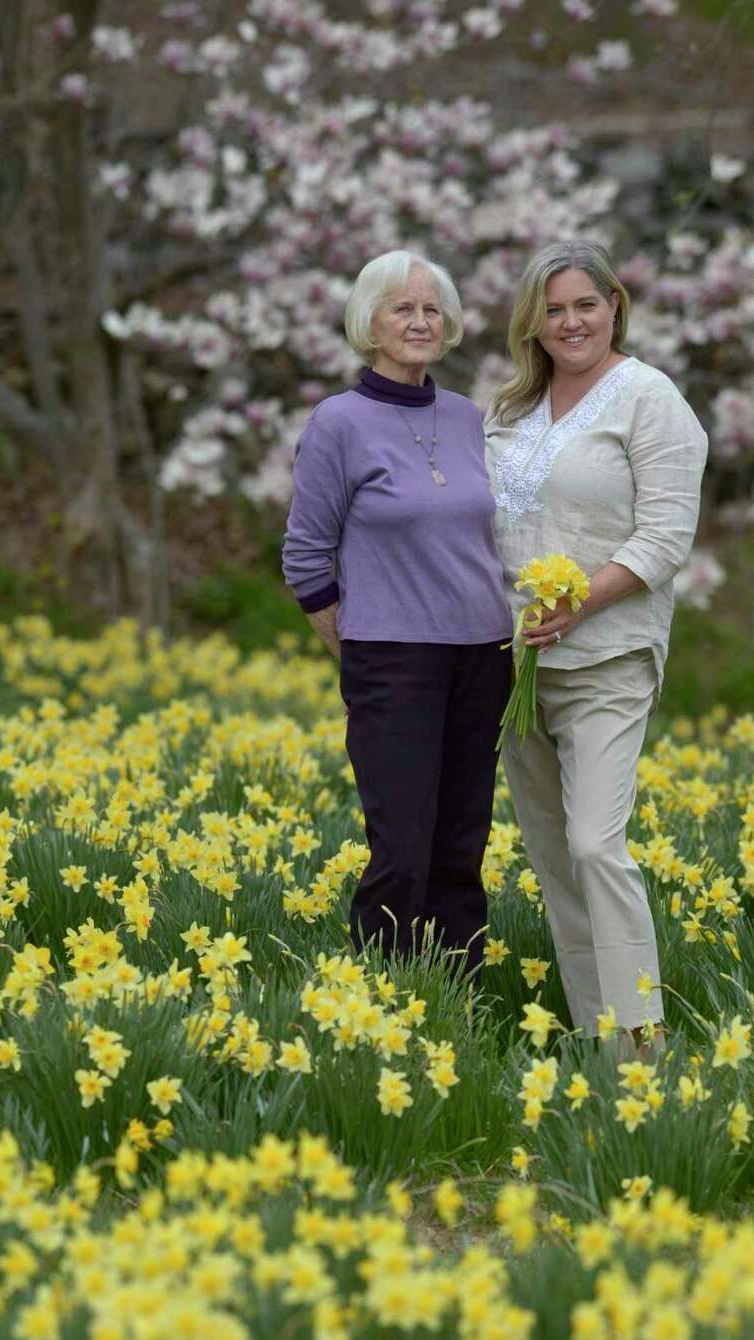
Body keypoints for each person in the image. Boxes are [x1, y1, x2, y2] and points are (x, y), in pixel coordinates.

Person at [485, 238, 708, 1050]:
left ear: (615, 304)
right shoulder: (509, 409)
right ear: (531, 323)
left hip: (607, 657)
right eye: (553, 309)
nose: (571, 321)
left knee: (594, 844)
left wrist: (579, 603)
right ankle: (600, 1040)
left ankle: (644, 1040)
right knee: (553, 858)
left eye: (586, 303)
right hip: (516, 666)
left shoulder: (650, 400)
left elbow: (665, 539)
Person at [282, 250, 512, 973]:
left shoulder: (470, 417)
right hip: (391, 661)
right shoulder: (337, 423)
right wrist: (358, 654)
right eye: (402, 308)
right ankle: (381, 1006)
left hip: (483, 657)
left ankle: (457, 1006)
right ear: (369, 323)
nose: (419, 321)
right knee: (402, 849)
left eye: (431, 309)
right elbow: (304, 558)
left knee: (461, 847)